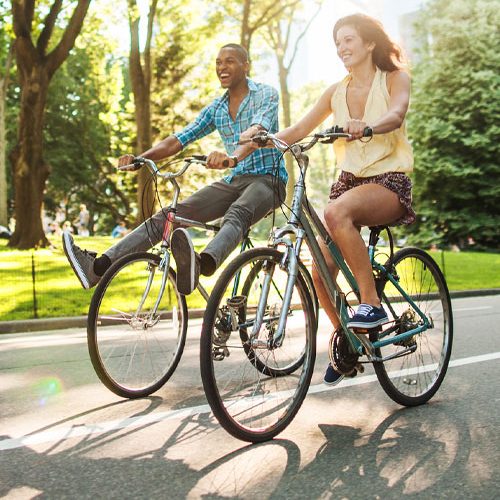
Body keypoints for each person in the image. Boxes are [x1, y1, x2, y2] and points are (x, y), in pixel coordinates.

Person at [242, 14, 415, 385]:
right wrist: (256, 141)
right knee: (319, 270)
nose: (342, 48)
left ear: (369, 43)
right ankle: (350, 343)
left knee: (335, 211)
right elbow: (299, 129)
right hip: (350, 184)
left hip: (389, 182)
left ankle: (371, 304)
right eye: (338, 43)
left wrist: (367, 126)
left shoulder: (394, 78)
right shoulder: (336, 91)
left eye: (349, 40)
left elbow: (397, 113)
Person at [63, 43, 286, 294]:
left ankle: (201, 264)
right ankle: (98, 266)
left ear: (246, 65)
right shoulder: (218, 108)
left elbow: (256, 132)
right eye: (218, 62)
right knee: (170, 215)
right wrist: (140, 159)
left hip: (269, 180)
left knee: (237, 213)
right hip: (234, 180)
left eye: (230, 61)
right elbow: (178, 140)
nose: (222, 67)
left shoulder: (265, 94)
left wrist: (231, 158)